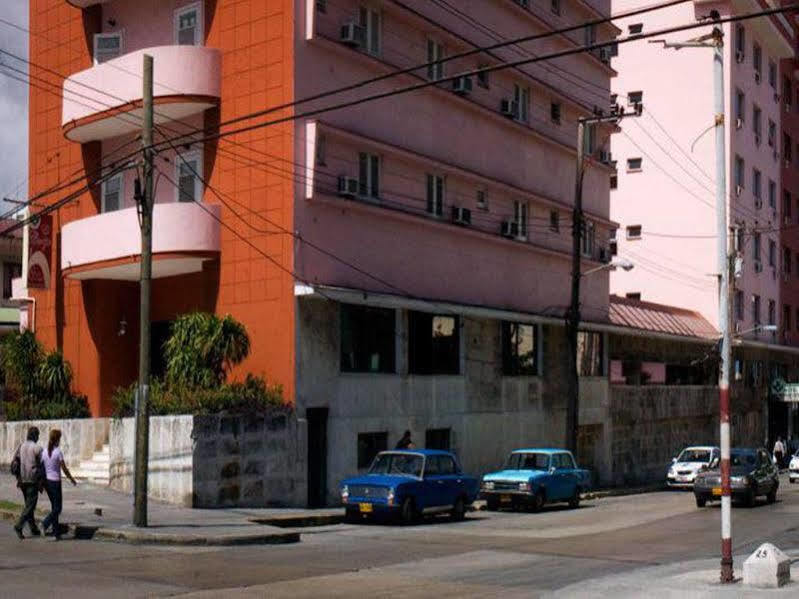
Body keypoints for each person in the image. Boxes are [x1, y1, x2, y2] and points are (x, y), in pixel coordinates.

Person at [41, 429, 76, 541]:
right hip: (55, 482)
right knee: (58, 508)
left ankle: (56, 533)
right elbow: (64, 468)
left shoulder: (45, 451)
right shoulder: (58, 452)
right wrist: (71, 479)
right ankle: (45, 523)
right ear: (57, 439)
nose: (60, 440)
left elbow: (42, 466)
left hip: (47, 482)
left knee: (54, 507)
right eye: (60, 438)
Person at [13, 426, 43, 539]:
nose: (38, 437)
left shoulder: (21, 446)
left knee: (28, 505)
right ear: (35, 436)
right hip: (32, 479)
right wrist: (42, 481)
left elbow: (15, 462)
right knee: (30, 506)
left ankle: (33, 528)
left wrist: (18, 478)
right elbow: (42, 464)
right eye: (38, 435)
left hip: (22, 479)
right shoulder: (37, 448)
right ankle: (19, 525)